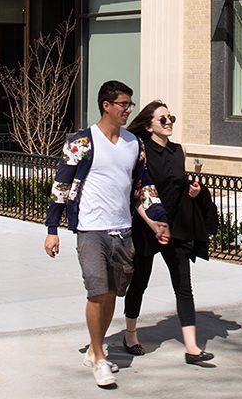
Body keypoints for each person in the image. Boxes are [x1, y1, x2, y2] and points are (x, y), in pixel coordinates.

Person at [45, 81, 170, 389]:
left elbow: (143, 187)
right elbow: (61, 186)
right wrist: (52, 229)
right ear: (106, 105)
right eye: (124, 104)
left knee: (113, 292)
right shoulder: (81, 143)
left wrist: (157, 220)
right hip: (91, 229)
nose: (129, 110)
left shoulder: (134, 144)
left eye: (130, 104)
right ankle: (100, 357)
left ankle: (94, 349)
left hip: (123, 230)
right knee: (97, 292)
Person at [121, 101, 214, 365]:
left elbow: (178, 186)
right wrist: (152, 224)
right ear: (149, 125)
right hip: (147, 227)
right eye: (162, 119)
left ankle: (192, 348)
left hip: (176, 228)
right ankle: (130, 334)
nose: (168, 122)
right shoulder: (140, 152)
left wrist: (193, 192)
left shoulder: (178, 150)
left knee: (184, 286)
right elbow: (137, 193)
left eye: (170, 117)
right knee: (140, 282)